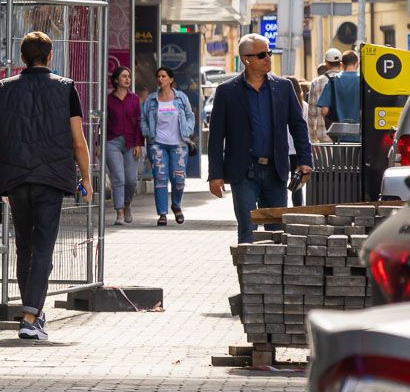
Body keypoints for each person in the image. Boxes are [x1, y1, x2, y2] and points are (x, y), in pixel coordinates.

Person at [0, 31, 93, 341]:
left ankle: (34, 313)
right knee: (42, 247)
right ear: (51, 55)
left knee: (24, 247)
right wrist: (87, 178)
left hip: (14, 179)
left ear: (22, 58)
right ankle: (30, 318)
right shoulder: (66, 88)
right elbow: (77, 139)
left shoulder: (2, 90)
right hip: (50, 179)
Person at [208, 33, 313, 245]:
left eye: (269, 53)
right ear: (246, 59)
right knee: (247, 230)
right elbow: (216, 136)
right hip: (243, 172)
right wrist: (215, 174)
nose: (268, 58)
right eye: (262, 54)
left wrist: (305, 160)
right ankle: (248, 278)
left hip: (276, 171)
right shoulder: (227, 91)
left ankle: (274, 278)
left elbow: (298, 125)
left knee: (277, 232)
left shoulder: (283, 87)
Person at [140, 67, 196, 226]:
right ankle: (162, 213)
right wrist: (146, 132)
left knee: (179, 179)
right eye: (158, 76)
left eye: (164, 76)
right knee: (161, 179)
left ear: (171, 80)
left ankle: (176, 205)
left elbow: (190, 116)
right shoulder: (151, 100)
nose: (160, 79)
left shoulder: (181, 98)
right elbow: (143, 119)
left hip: (179, 144)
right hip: (157, 144)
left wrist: (189, 129)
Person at [105, 66, 143, 226]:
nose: (128, 79)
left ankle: (127, 204)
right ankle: (119, 212)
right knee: (118, 179)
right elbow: (103, 122)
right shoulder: (107, 99)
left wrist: (139, 144)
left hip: (131, 142)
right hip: (112, 141)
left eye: (129, 76)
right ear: (116, 80)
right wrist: (99, 143)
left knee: (131, 180)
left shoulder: (134, 99)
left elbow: (139, 123)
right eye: (124, 76)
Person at [318, 50, 361, 143]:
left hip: (339, 135)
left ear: (342, 64)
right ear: (357, 63)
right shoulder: (363, 81)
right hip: (361, 134)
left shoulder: (333, 81)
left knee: (341, 157)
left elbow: (324, 110)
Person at [307, 48, 343, 144]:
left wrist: (313, 139)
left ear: (326, 63)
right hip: (346, 134)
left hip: (324, 136)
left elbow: (311, 114)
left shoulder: (316, 82)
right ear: (341, 64)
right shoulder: (347, 81)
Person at [285, 76, 309, 207]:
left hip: (284, 147)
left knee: (281, 181)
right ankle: (297, 207)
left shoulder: (282, 104)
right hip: (298, 149)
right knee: (296, 182)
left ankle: (280, 206)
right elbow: (308, 127)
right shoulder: (304, 106)